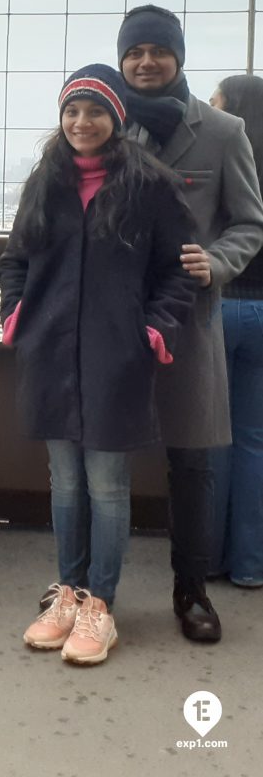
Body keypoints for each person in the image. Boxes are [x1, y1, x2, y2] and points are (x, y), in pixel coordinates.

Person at [0, 65, 196, 664]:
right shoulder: (45, 181)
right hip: (52, 352)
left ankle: (100, 606)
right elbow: (16, 259)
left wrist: (154, 330)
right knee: (65, 483)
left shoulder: (150, 185)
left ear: (117, 118)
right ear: (61, 120)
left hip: (118, 356)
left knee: (107, 487)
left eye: (94, 111)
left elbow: (176, 271)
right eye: (71, 111)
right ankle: (69, 593)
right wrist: (15, 317)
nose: (81, 123)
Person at [117, 6, 263, 641]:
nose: (146, 62)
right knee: (105, 459)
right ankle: (95, 589)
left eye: (159, 50)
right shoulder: (104, 124)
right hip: (115, 323)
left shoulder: (224, 131)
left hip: (194, 321)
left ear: (178, 56)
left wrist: (220, 261)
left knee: (195, 462)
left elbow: (249, 223)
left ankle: (193, 591)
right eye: (135, 52)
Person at [209, 74, 263, 589]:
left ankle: (207, 559)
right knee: (255, 442)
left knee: (212, 440)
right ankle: (250, 565)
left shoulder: (222, 152)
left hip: (219, 308)